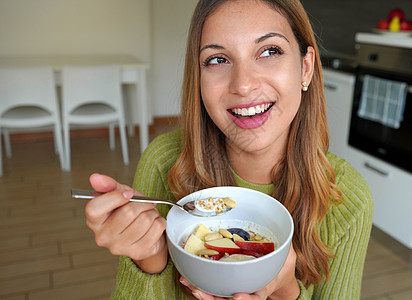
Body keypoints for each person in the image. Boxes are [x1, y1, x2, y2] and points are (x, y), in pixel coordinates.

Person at [85, 0, 373, 299]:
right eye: (217, 59)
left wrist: (284, 291)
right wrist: (150, 258)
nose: (244, 85)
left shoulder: (349, 198)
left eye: (269, 51)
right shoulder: (164, 161)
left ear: (306, 67)